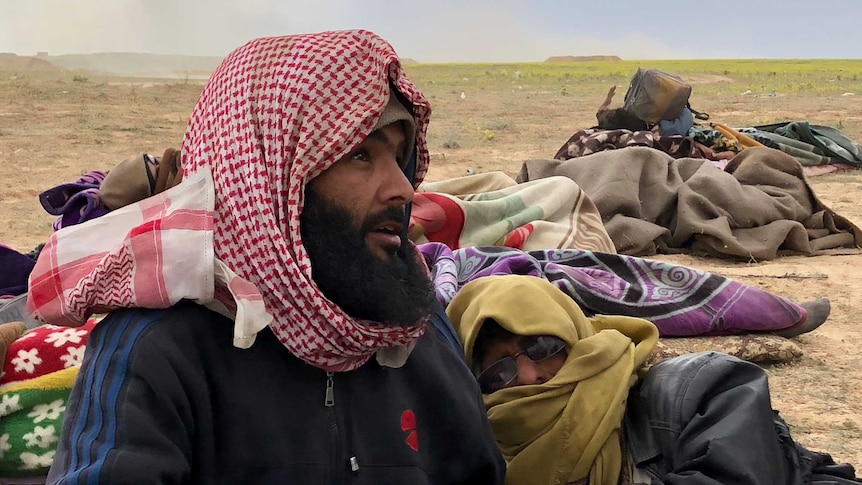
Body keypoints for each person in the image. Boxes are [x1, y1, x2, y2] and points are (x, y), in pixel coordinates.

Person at [30, 30, 505, 484]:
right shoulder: (156, 351)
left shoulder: (418, 329)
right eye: (361, 155)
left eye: (398, 157)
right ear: (267, 181)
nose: (403, 189)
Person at [446, 274, 860, 485]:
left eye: (541, 346)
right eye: (499, 370)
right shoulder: (483, 457)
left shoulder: (697, 392)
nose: (531, 375)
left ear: (573, 334)